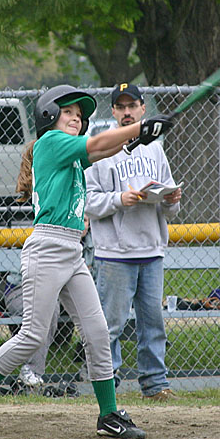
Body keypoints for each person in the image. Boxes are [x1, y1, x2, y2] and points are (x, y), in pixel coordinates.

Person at [0, 84, 172, 439]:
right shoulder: (50, 143)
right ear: (50, 115)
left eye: (80, 115)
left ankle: (109, 414)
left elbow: (105, 149)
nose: (75, 118)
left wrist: (139, 137)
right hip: (47, 248)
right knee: (34, 335)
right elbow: (99, 144)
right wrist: (140, 129)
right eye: (68, 112)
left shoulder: (71, 153)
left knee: (97, 332)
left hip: (72, 251)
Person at [85, 83, 181, 401]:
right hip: (115, 252)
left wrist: (171, 198)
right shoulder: (100, 151)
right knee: (109, 324)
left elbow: (171, 206)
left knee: (152, 322)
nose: (127, 112)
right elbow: (89, 200)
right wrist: (119, 199)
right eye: (121, 107)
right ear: (113, 112)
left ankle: (154, 384)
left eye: (133, 106)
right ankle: (107, 383)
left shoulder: (155, 148)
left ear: (143, 109)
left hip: (151, 248)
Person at [16, 217, 92, 388]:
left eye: (86, 220)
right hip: (21, 288)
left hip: (66, 290)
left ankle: (94, 372)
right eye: (78, 219)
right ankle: (31, 371)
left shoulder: (92, 243)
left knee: (96, 320)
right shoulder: (51, 239)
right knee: (46, 316)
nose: (82, 224)